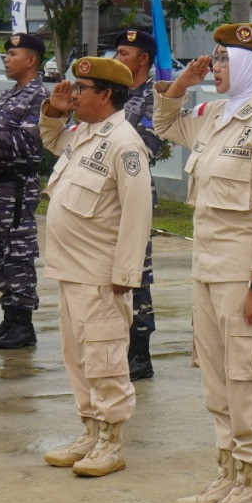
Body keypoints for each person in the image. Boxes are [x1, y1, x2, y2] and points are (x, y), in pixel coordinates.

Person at [154, 23, 252, 503]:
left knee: (247, 379)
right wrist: (180, 84)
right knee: (216, 380)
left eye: (222, 60)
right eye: (213, 59)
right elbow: (165, 126)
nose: (213, 67)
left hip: (243, 276)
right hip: (207, 269)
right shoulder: (214, 116)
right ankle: (227, 473)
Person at [36, 55, 155, 474]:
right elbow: (52, 141)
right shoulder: (84, 133)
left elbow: (138, 212)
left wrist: (126, 276)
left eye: (82, 90)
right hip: (70, 271)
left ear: (105, 94)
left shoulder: (125, 142)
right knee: (77, 356)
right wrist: (54, 108)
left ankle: (112, 442)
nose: (75, 95)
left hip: (101, 275)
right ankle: (90, 431)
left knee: (104, 359)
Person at [0, 31, 51, 350]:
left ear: (31, 60)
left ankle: (24, 322)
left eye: (13, 54)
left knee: (18, 254)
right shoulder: (8, 95)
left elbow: (34, 142)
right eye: (6, 54)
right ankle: (9, 315)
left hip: (18, 186)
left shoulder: (39, 96)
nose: (6, 58)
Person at [108, 25, 167, 379]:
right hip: (104, 195)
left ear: (143, 59)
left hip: (134, 193)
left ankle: (140, 353)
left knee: (137, 272)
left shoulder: (153, 97)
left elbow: (147, 143)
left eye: (124, 54)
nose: (118, 59)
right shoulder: (112, 93)